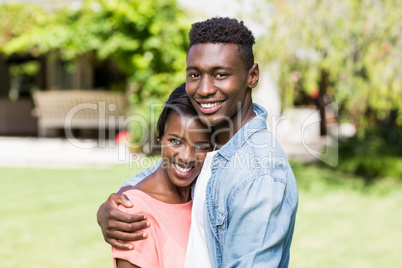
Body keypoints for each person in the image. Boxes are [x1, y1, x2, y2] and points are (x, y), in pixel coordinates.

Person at [98, 17, 298, 268]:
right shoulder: (215, 138)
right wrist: (118, 203)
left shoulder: (257, 175)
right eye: (195, 74)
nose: (204, 89)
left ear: (252, 76)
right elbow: (167, 171)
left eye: (220, 74)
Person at [113, 83, 212, 268]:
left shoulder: (206, 196)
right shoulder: (135, 212)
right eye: (175, 141)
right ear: (160, 135)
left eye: (200, 146)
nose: (186, 157)